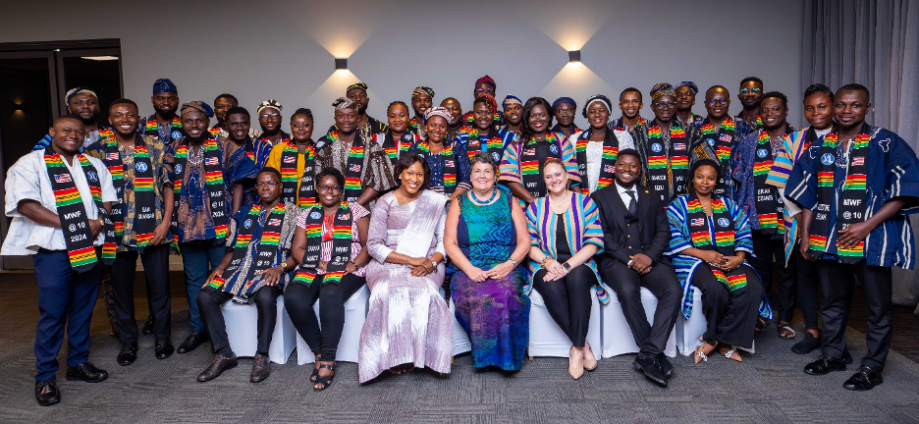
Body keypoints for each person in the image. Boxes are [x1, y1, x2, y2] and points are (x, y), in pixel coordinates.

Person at [786, 83, 919, 391]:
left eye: (855, 105)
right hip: (828, 237)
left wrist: (866, 225)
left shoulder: (886, 143)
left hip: (872, 239)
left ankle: (872, 366)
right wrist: (804, 236)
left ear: (867, 108)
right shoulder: (818, 148)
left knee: (878, 306)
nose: (847, 111)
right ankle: (833, 355)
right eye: (841, 105)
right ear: (834, 107)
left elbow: (905, 189)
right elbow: (807, 194)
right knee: (832, 301)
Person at [2, 115, 117, 406]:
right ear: (52, 131)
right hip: (54, 250)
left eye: (78, 132)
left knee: (83, 309)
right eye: (66, 130)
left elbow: (107, 200)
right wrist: (75, 225)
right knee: (53, 313)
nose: (73, 135)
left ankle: (78, 362)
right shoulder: (31, 163)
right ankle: (45, 376)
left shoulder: (94, 164)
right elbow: (26, 205)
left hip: (90, 247)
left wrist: (98, 223)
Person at [84, 99, 175, 365]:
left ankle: (163, 337)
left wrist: (166, 222)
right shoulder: (96, 151)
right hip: (115, 232)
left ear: (138, 118)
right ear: (110, 119)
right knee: (121, 290)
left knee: (160, 287)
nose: (125, 119)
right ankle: (127, 343)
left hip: (153, 228)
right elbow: (90, 193)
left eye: (130, 115)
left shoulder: (156, 146)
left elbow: (168, 186)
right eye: (118, 115)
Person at [195, 168, 301, 383]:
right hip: (239, 269)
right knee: (205, 296)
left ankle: (262, 355)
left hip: (273, 269)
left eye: (270, 183)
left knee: (265, 296)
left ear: (280, 186)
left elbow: (298, 252)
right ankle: (224, 353)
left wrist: (281, 267)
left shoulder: (295, 214)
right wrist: (220, 268)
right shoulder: (245, 212)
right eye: (260, 184)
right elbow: (232, 249)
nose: (265, 188)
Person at [169, 101, 258, 354]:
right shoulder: (174, 148)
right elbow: (167, 183)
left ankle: (226, 331)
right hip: (187, 227)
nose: (194, 125)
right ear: (182, 123)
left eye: (199, 120)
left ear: (208, 121)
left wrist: (234, 219)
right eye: (188, 121)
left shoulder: (225, 146)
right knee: (194, 280)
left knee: (224, 277)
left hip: (220, 226)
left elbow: (240, 182)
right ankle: (198, 330)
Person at [666, 158, 769, 364]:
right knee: (716, 289)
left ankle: (717, 339)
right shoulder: (679, 205)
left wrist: (739, 257)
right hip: (694, 260)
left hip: (728, 258)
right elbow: (672, 237)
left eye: (710, 178)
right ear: (692, 179)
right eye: (700, 177)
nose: (705, 182)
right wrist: (703, 254)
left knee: (753, 288)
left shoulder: (728, 205)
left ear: (716, 181)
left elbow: (743, 230)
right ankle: (720, 342)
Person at [359, 154, 452, 383]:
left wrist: (431, 262)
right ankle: (395, 355)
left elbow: (444, 241)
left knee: (424, 292)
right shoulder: (385, 202)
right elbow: (374, 245)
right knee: (387, 291)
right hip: (388, 262)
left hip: (429, 261)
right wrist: (412, 260)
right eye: (410, 173)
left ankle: (424, 355)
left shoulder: (434, 202)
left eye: (419, 174)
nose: (414, 179)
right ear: (400, 174)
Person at [591, 149, 680, 386]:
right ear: (614, 168)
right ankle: (653, 352)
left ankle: (649, 352)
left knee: (673, 289)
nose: (627, 169)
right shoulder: (599, 197)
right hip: (616, 260)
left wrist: (649, 256)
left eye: (633, 166)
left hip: (650, 258)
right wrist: (630, 260)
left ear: (640, 171)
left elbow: (663, 231)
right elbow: (602, 234)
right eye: (622, 164)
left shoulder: (652, 195)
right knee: (628, 290)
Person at [285, 167, 372, 391]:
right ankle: (319, 352)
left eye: (334, 187)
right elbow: (298, 249)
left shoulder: (356, 211)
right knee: (294, 297)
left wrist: (355, 264)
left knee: (330, 293)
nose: (329, 191)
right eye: (324, 186)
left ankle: (328, 359)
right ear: (317, 189)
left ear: (341, 190)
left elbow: (368, 244)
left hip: (347, 267)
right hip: (315, 265)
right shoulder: (307, 214)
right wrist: (318, 263)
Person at [444, 152, 530, 371]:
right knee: (475, 296)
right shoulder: (459, 203)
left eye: (487, 171)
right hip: (468, 267)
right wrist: (470, 269)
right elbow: (450, 243)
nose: (482, 176)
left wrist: (510, 264)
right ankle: (486, 356)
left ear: (495, 175)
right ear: (470, 176)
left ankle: (506, 359)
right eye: (477, 171)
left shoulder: (509, 199)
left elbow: (524, 241)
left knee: (506, 294)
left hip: (506, 265)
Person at [765, 84, 832, 354]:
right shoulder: (795, 140)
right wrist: (799, 216)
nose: (815, 113)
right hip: (798, 219)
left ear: (833, 106)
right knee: (805, 275)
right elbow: (782, 182)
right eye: (810, 108)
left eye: (822, 106)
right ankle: (812, 331)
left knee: (834, 279)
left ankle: (834, 335)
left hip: (836, 221)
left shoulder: (847, 136)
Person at [526, 158, 605, 380]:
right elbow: (529, 244)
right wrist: (548, 263)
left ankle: (576, 350)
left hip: (580, 261)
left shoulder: (585, 202)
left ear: (567, 176)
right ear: (544, 181)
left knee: (577, 280)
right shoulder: (536, 206)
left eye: (558, 174)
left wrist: (567, 266)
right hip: (544, 262)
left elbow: (594, 242)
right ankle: (582, 346)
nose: (554, 179)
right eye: (549, 176)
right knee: (551, 287)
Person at [732, 91, 796, 336]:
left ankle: (785, 319)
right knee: (760, 269)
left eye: (775, 109)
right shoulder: (750, 140)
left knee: (787, 270)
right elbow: (740, 173)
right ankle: (763, 314)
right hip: (756, 216)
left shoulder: (797, 139)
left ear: (785, 111)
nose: (770, 114)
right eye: (765, 110)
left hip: (788, 216)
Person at [315, 97, 395, 208]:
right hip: (332, 212)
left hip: (365, 212)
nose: (346, 120)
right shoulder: (325, 149)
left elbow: (380, 181)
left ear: (357, 118)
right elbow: (319, 183)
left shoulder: (372, 147)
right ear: (335, 118)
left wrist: (354, 208)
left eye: (351, 115)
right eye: (341, 116)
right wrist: (339, 211)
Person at [499, 97, 579, 207]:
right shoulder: (516, 144)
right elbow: (509, 177)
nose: (538, 119)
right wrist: (535, 202)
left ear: (549, 116)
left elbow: (570, 173)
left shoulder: (562, 141)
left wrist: (554, 199)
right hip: (525, 208)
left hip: (559, 205)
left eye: (542, 115)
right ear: (527, 118)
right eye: (533, 116)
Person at [634, 83, 700, 204]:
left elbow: (706, 163)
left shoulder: (691, 133)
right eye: (660, 104)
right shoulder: (638, 134)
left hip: (682, 204)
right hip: (647, 203)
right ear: (652, 107)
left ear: (676, 106)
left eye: (670, 103)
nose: (665, 108)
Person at [571, 94, 634, 194]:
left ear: (609, 113)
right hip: (580, 194)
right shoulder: (575, 139)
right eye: (592, 112)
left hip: (613, 194)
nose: (597, 115)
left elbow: (629, 168)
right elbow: (570, 170)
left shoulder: (621, 137)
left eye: (602, 111)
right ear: (587, 115)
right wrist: (581, 198)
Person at [697, 85, 749, 199]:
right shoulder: (694, 128)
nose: (718, 104)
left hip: (734, 194)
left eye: (723, 100)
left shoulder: (743, 127)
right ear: (705, 103)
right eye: (712, 100)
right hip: (702, 195)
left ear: (729, 102)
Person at [409, 107, 471, 202]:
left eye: (442, 126)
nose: (437, 129)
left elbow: (466, 178)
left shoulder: (455, 148)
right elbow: (406, 178)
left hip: (451, 203)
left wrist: (448, 201)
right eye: (433, 125)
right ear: (426, 126)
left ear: (446, 129)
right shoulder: (415, 149)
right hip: (420, 203)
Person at [266, 108, 320, 208]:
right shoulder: (279, 150)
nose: (301, 128)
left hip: (315, 210)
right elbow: (271, 182)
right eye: (296, 125)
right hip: (283, 209)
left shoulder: (320, 151)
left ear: (312, 127)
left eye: (306, 125)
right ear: (291, 126)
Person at [34, 87, 108, 151]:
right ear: (70, 109)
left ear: (98, 108)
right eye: (79, 103)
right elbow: (36, 159)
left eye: (91, 103)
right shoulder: (56, 136)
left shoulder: (112, 133)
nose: (85, 106)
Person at [221, 106, 268, 205]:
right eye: (234, 124)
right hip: (224, 208)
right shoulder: (218, 149)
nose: (240, 128)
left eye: (244, 123)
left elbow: (269, 181)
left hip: (258, 207)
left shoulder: (263, 148)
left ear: (249, 124)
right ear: (226, 125)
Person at [458, 95, 508, 163]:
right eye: (479, 112)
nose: (483, 116)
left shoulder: (505, 136)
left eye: (488, 112)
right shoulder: (462, 136)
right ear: (473, 114)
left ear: (494, 114)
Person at [372, 101, 420, 167]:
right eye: (392, 116)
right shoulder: (377, 140)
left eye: (401, 116)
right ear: (388, 119)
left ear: (408, 118)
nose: (397, 120)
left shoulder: (416, 140)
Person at [143, 78, 182, 144]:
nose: (166, 103)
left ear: (177, 100)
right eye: (160, 98)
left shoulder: (185, 124)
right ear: (152, 99)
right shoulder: (142, 124)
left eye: (171, 99)